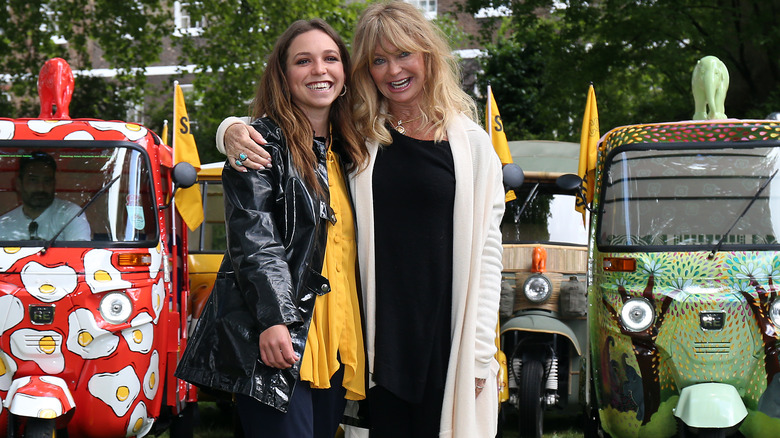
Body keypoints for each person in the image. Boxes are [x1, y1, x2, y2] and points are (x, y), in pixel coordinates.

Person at [217, 2, 504, 436]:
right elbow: (289, 123)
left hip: (446, 332)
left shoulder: (473, 145)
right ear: (365, 71)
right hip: (376, 333)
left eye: (404, 54)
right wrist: (230, 130)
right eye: (378, 60)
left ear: (427, 55)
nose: (393, 70)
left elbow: (488, 253)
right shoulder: (360, 134)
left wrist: (481, 350)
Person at [175, 19, 368, 438]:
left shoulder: (353, 151)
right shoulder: (259, 144)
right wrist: (274, 321)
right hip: (281, 334)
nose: (320, 70)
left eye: (330, 58)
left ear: (346, 73)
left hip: (337, 338)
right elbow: (255, 238)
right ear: (284, 76)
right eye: (304, 61)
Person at [0, 151, 91, 241]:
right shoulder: (3, 224)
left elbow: (78, 255)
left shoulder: (71, 214)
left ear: (54, 183)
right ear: (18, 184)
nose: (41, 188)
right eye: (33, 180)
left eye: (47, 181)